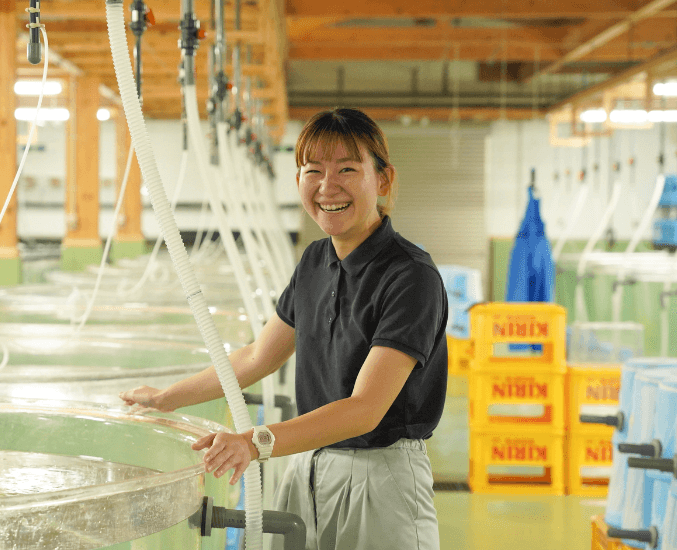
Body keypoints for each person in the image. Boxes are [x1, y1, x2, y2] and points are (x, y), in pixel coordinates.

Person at [120, 107, 448, 550]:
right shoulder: (315, 261)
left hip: (379, 477)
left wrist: (256, 442)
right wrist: (166, 398)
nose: (327, 187)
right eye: (312, 170)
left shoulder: (410, 276)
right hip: (305, 466)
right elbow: (258, 356)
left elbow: (365, 407)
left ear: (383, 180)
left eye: (347, 169)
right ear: (298, 181)